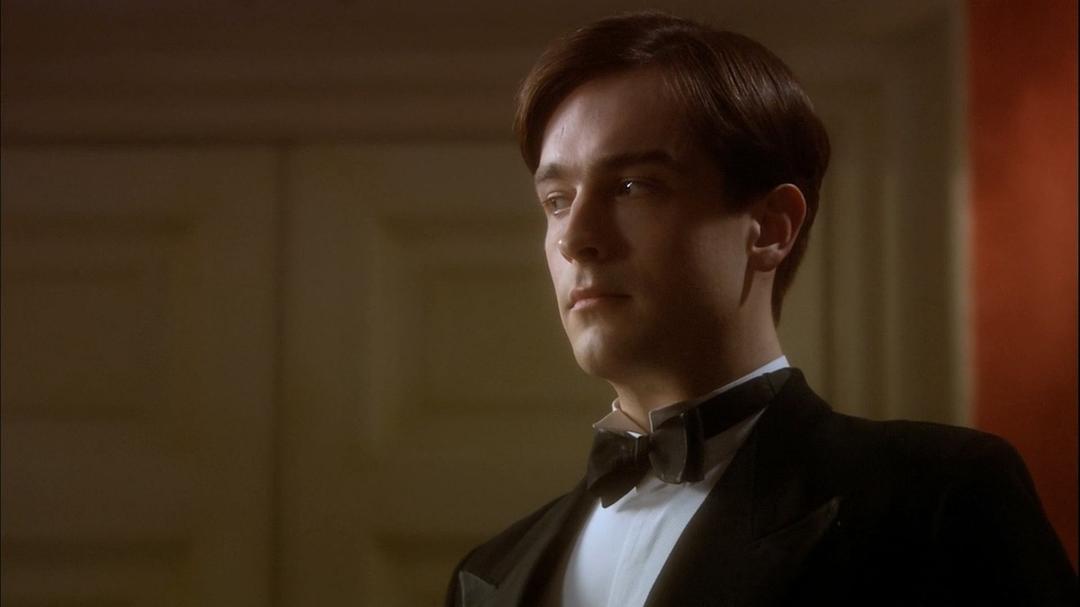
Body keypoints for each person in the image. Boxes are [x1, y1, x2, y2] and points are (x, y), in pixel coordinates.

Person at [445, 11, 1077, 607]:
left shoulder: (939, 499)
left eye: (634, 186)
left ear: (772, 227)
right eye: (557, 200)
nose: (574, 237)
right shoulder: (488, 576)